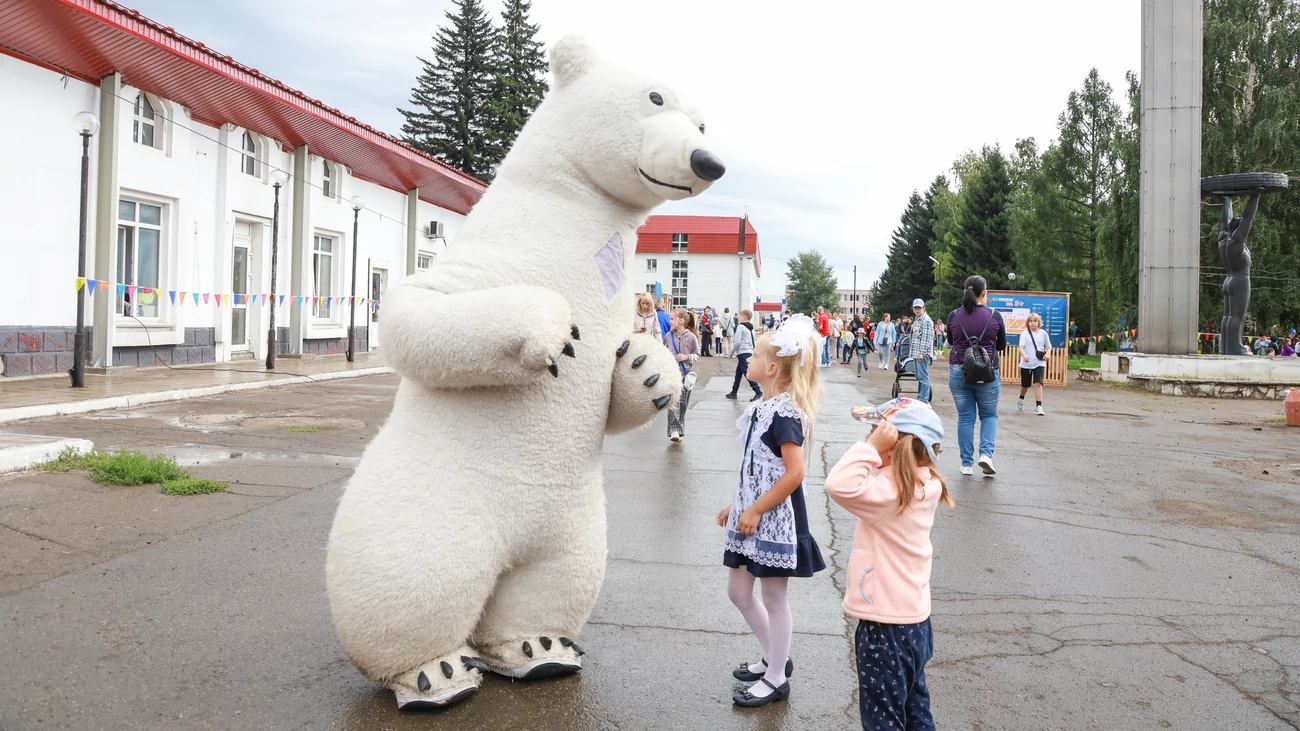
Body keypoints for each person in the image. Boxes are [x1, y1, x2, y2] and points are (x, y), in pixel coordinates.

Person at [717, 314, 826, 708]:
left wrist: (758, 508)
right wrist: (739, 504)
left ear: (773, 368)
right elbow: (756, 466)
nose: (748, 360)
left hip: (775, 521)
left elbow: (794, 473)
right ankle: (775, 656)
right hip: (753, 515)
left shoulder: (785, 414)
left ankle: (777, 677)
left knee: (774, 597)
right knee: (738, 591)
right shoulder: (761, 408)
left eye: (755, 356)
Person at [825, 399, 952, 731]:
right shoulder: (923, 484)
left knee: (883, 719)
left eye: (877, 433)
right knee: (914, 709)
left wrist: (868, 448)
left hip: (885, 629)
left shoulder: (890, 492)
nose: (870, 437)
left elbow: (838, 484)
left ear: (898, 448)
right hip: (915, 624)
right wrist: (878, 449)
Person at [947, 275, 1007, 476]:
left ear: (965, 292)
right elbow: (1001, 346)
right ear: (984, 293)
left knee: (965, 418)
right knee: (989, 415)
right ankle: (986, 455)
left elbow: (951, 341)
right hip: (987, 373)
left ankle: (966, 464)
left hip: (959, 370)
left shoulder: (953, 315)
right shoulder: (994, 316)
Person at [664, 309, 700, 442]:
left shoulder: (691, 337)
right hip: (672, 375)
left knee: (683, 404)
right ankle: (674, 430)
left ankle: (679, 429)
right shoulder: (668, 336)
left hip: (686, 375)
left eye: (672, 319)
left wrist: (686, 357)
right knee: (673, 402)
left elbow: (697, 354)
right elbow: (663, 352)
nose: (670, 321)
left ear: (681, 321)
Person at [726, 310, 764, 402]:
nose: (739, 318)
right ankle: (734, 392)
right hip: (749, 351)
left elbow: (737, 342)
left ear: (745, 318)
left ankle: (758, 391)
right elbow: (752, 341)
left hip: (743, 353)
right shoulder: (751, 328)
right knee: (738, 373)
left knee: (747, 373)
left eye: (740, 316)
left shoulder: (741, 327)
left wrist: (731, 353)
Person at [1017, 312, 1050, 416]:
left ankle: (1039, 406)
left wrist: (1048, 353)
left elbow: (1049, 346)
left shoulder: (1043, 333)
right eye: (1030, 321)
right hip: (1026, 363)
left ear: (1039, 322)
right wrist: (1024, 355)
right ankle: (1021, 397)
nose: (1033, 323)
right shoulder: (1024, 333)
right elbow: (1021, 347)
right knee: (1025, 385)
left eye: (1035, 321)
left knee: (1038, 384)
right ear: (1028, 323)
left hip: (1039, 362)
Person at [910, 299, 935, 403]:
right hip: (916, 353)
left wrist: (922, 353)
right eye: (915, 308)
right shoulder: (917, 319)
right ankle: (920, 397)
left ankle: (924, 399)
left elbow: (926, 338)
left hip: (922, 354)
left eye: (919, 308)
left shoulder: (926, 321)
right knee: (920, 377)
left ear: (924, 308)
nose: (917, 310)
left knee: (924, 377)